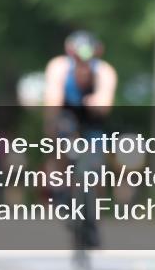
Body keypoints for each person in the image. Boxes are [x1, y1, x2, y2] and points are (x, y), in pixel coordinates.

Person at [43, 31, 118, 268]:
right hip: (66, 116)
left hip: (92, 120)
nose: (83, 66)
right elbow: (53, 101)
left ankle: (93, 218)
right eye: (78, 60)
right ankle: (61, 191)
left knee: (96, 167)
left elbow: (106, 102)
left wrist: (97, 101)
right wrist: (52, 134)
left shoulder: (104, 71)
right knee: (59, 147)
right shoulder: (58, 67)